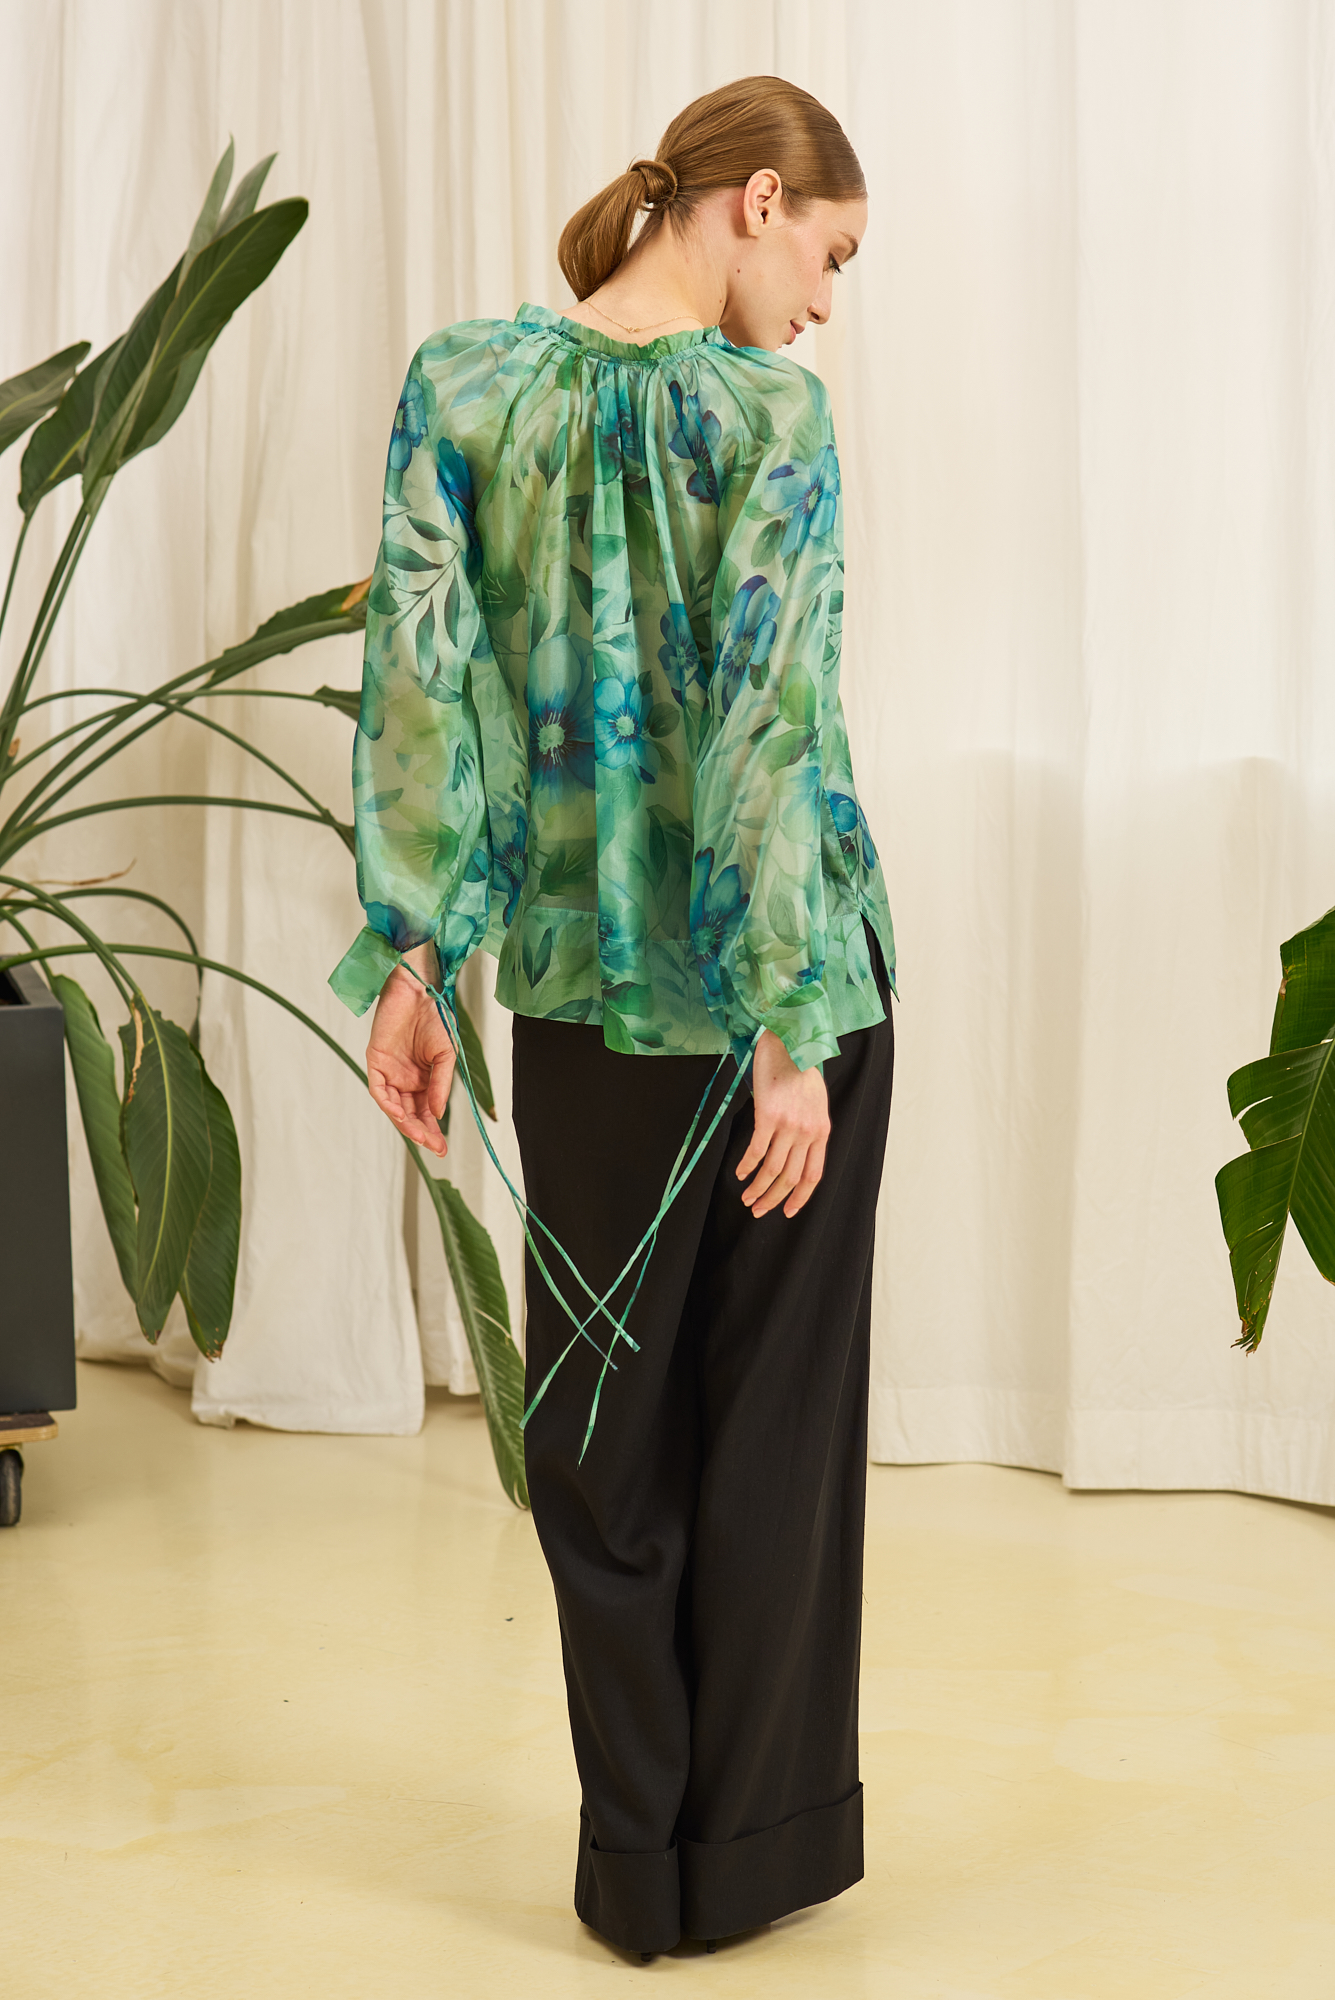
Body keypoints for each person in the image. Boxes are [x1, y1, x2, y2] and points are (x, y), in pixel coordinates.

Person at [329, 73, 896, 1960]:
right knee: (761, 1434)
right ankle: (726, 1862)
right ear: (756, 202)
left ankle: (643, 1870)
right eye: (829, 255)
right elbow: (774, 725)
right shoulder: (771, 420)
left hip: (589, 1002)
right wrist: (797, 1030)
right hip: (778, 1002)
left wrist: (422, 957)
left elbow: (427, 695)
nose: (823, 304)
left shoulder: (463, 385)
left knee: (601, 1436)